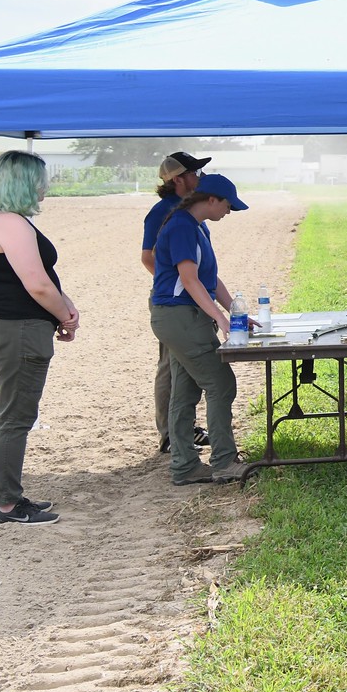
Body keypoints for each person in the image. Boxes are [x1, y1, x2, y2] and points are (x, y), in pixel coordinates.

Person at [0, 152, 77, 524]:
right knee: (16, 416)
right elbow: (37, 285)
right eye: (42, 179)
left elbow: (39, 279)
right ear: (24, 182)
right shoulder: (11, 224)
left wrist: (65, 304)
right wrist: (64, 315)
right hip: (18, 328)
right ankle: (8, 505)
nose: (46, 186)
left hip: (8, 326)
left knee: (4, 415)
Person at [149, 174, 251, 484]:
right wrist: (220, 318)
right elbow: (190, 280)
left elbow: (210, 279)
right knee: (221, 383)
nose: (229, 211)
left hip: (179, 316)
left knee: (185, 391)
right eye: (228, 205)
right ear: (211, 200)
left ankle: (184, 465)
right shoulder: (182, 226)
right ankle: (223, 461)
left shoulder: (195, 226)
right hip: (181, 317)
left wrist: (235, 311)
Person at [141, 150, 210, 454]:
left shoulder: (187, 208)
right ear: (178, 179)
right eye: (194, 172)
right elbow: (148, 257)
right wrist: (176, 286)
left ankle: (184, 428)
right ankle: (169, 432)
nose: (199, 177)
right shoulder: (162, 211)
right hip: (174, 302)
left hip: (188, 298)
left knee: (183, 366)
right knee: (170, 366)